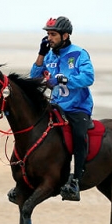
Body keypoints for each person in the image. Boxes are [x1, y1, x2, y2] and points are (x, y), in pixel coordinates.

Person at [31, 16, 95, 201]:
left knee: (79, 137)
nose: (49, 38)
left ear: (65, 35)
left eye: (53, 34)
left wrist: (64, 79)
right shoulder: (49, 55)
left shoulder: (79, 53)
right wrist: (41, 55)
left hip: (77, 107)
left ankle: (75, 181)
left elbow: (88, 77)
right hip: (56, 105)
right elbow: (34, 77)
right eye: (48, 34)